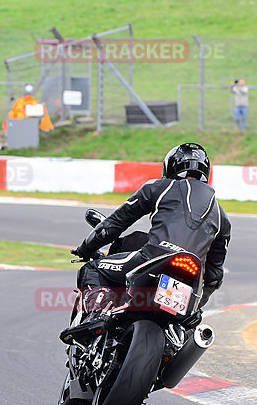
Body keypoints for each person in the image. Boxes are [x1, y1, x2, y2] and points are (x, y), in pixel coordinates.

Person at [64, 143, 231, 337]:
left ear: (170, 167)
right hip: (192, 276)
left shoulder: (159, 187)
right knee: (186, 326)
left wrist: (85, 248)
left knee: (91, 269)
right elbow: (214, 275)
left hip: (155, 258)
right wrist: (197, 307)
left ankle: (94, 318)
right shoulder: (222, 217)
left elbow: (114, 224)